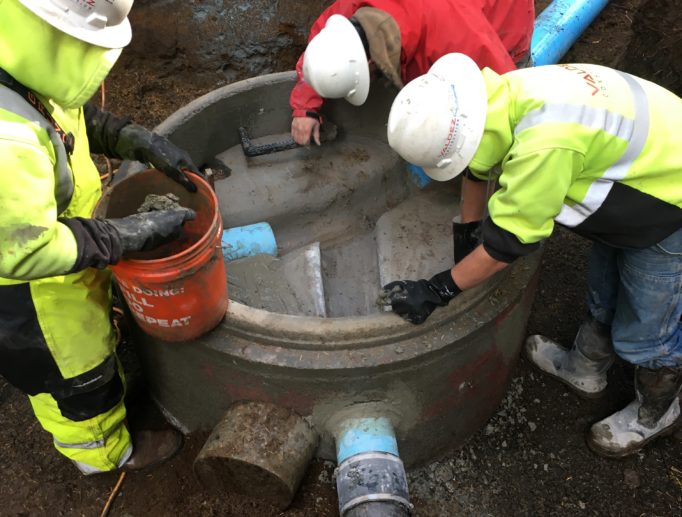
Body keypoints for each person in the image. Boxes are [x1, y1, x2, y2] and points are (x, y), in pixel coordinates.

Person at [381, 52, 682, 458]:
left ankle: (656, 415)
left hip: (668, 205)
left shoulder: (543, 146)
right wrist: (469, 231)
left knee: (647, 329)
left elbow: (508, 243)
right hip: (642, 168)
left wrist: (439, 288)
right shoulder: (502, 96)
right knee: (605, 288)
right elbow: (478, 168)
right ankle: (585, 370)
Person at [0, 0, 199, 474]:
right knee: (76, 381)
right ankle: (106, 455)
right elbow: (23, 252)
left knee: (93, 352)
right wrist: (120, 236)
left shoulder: (21, 69)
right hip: (36, 305)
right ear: (53, 34)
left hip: (71, 265)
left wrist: (130, 137)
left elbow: (62, 121)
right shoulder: (6, 142)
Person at [290, 0, 534, 259]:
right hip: (437, 21)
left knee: (492, 136)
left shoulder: (458, 39)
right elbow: (323, 46)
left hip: (503, 20)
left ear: (371, 64)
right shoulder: (352, 11)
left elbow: (507, 100)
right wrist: (306, 105)